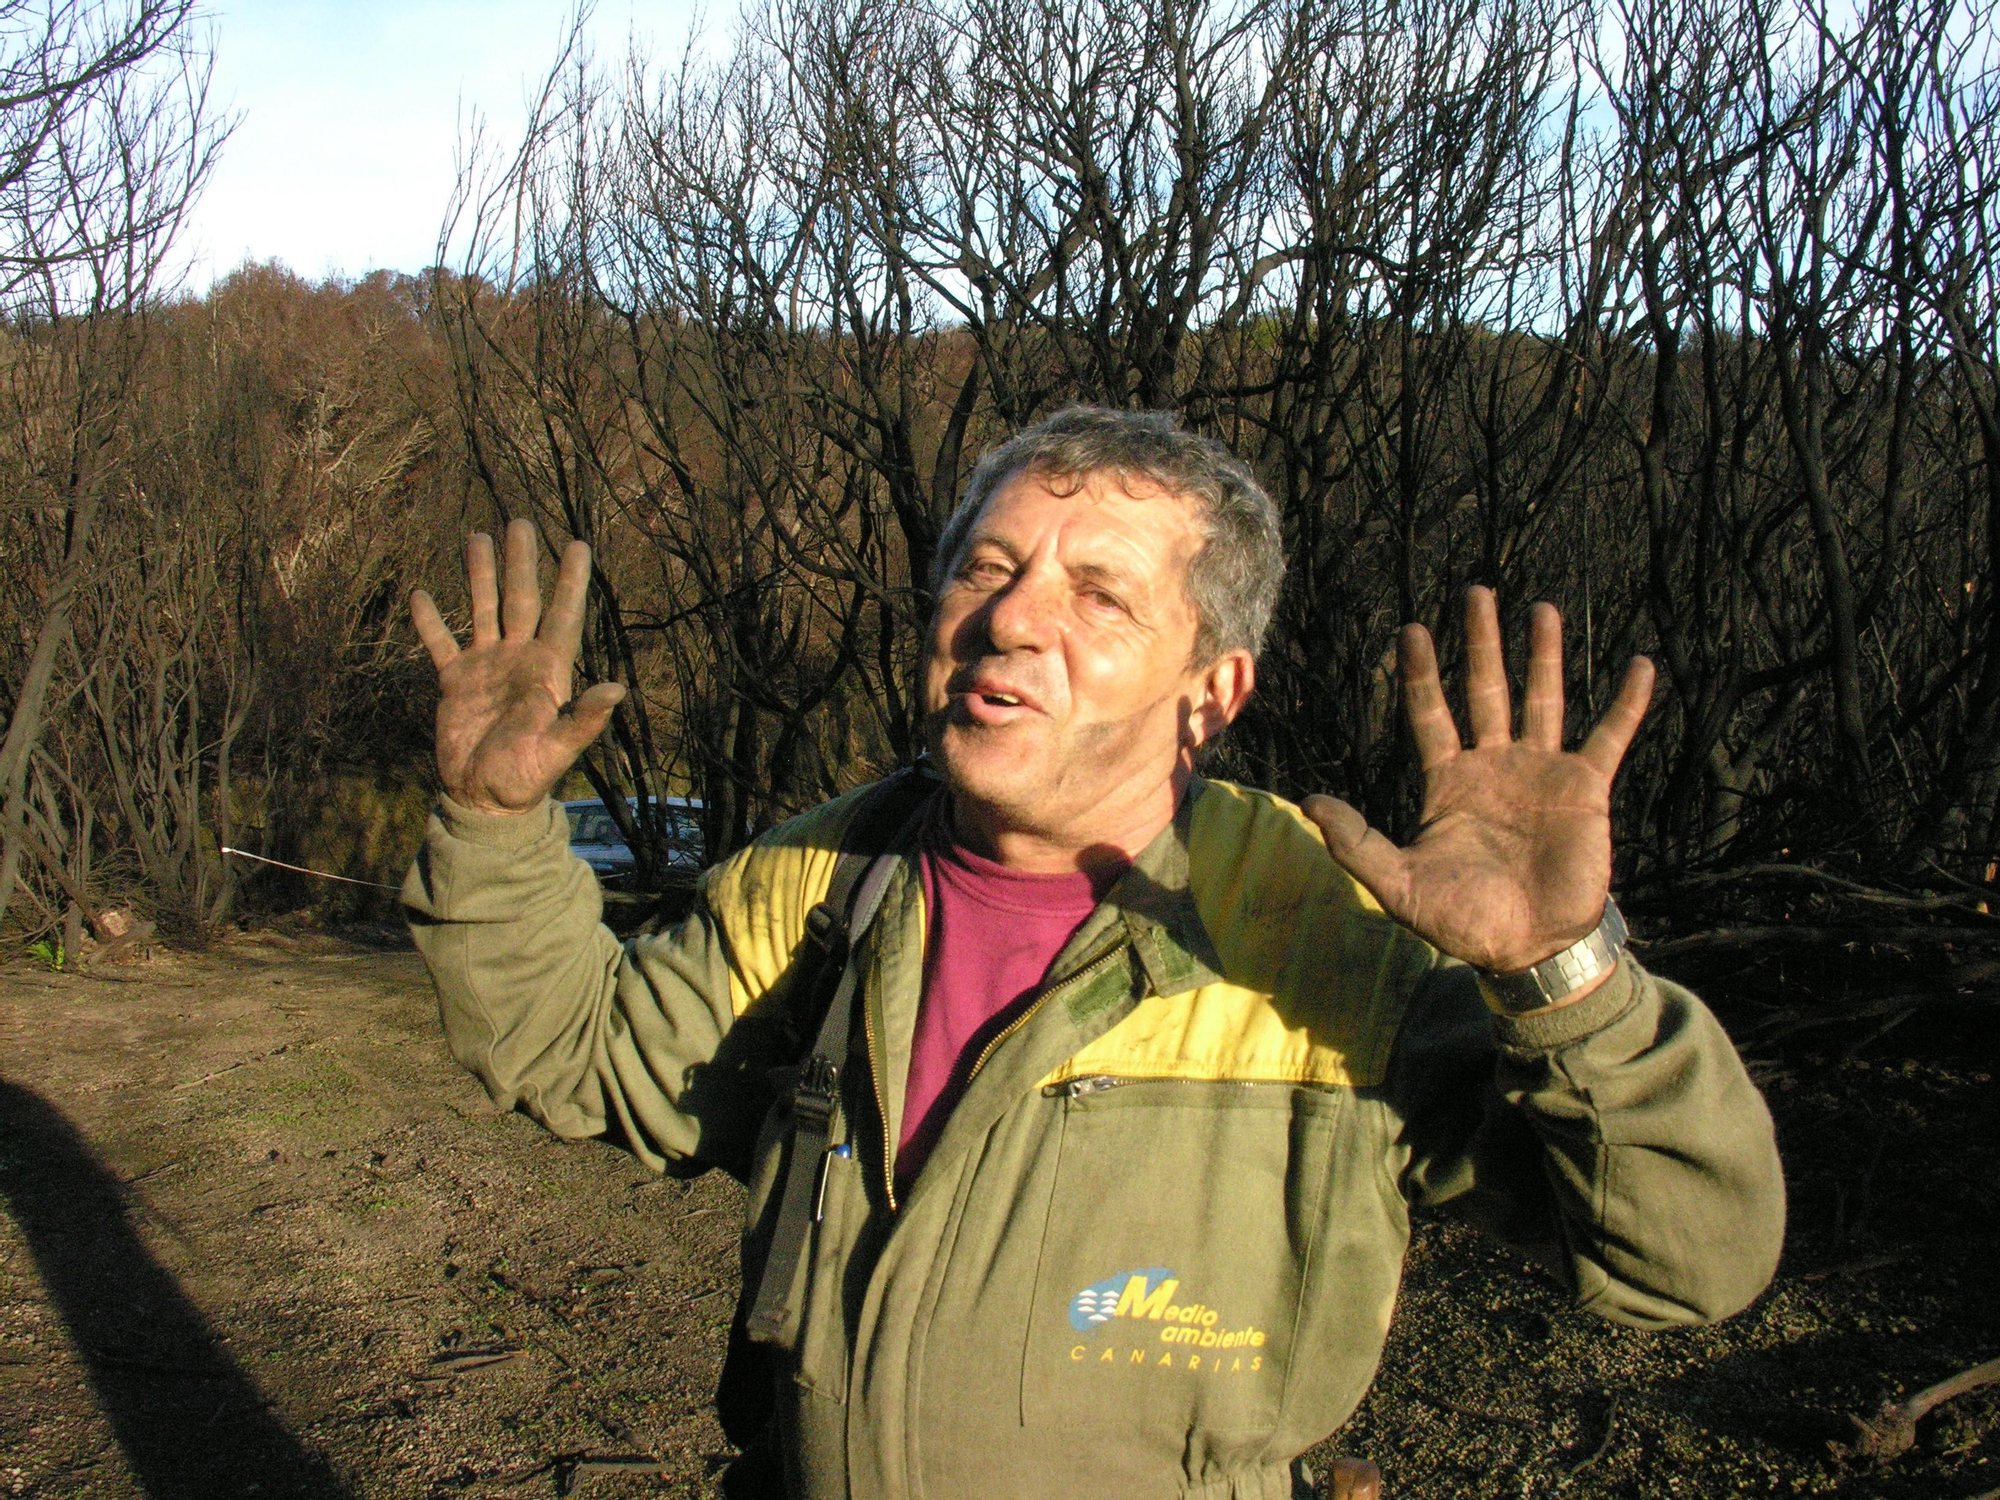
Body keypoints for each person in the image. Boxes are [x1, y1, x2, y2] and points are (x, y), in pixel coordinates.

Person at [404, 408, 1784, 1500]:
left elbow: (1691, 1261)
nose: (1011, 618)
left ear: (1213, 689)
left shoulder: (1322, 942)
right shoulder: (818, 884)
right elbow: (583, 1053)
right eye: (987, 569)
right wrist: (491, 820)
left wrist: (1562, 975)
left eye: (1101, 597)